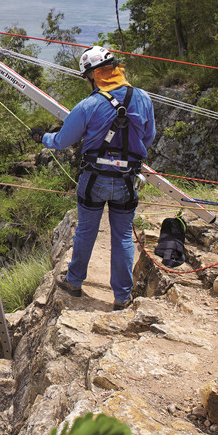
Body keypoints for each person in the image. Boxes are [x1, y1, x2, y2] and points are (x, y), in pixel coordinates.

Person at [30, 45, 155, 311]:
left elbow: (62, 140)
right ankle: (122, 296)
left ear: (92, 75)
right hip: (127, 179)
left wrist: (43, 137)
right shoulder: (143, 98)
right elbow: (148, 137)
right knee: (123, 235)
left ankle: (74, 281)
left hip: (94, 179)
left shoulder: (89, 105)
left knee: (87, 230)